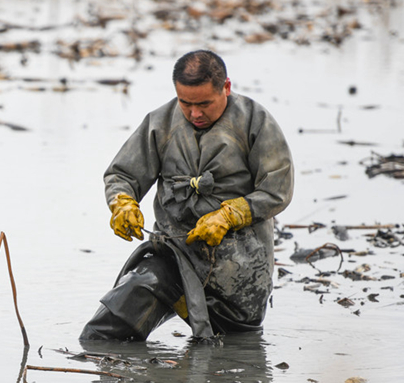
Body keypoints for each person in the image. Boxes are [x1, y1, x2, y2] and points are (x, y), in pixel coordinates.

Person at [80, 50, 293, 341]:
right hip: (172, 260)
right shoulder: (160, 123)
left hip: (239, 273)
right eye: (185, 103)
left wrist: (231, 214)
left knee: (236, 353)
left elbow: (277, 189)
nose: (195, 113)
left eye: (204, 103)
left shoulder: (256, 123)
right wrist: (122, 202)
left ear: (226, 88)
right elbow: (122, 175)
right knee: (103, 334)